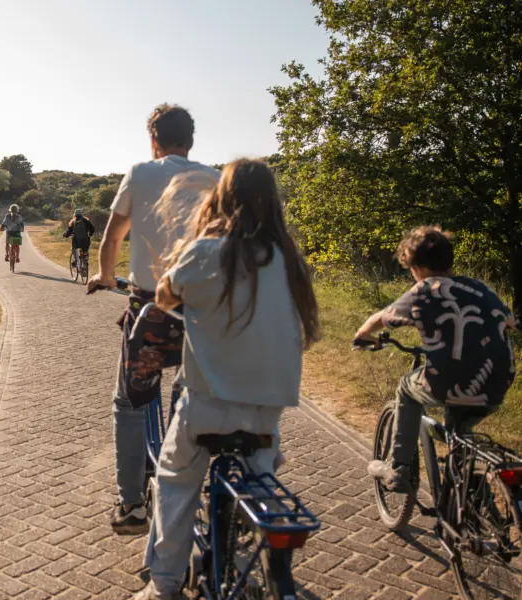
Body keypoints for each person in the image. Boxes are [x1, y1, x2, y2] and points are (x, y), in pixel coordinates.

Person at [134, 159, 321, 600]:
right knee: (263, 473)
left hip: (207, 406)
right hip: (267, 413)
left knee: (174, 481)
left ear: (221, 199)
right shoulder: (289, 259)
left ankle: (162, 585)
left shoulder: (206, 252)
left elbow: (165, 295)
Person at [87, 104, 219, 535]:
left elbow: (112, 236)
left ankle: (131, 506)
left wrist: (106, 277)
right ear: (192, 142)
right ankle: (188, 474)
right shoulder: (214, 179)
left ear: (153, 140)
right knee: (192, 392)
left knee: (127, 401)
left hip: (151, 311)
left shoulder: (140, 173)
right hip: (203, 310)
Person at [355, 226, 517, 492]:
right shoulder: (481, 288)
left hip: (448, 383)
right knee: (460, 429)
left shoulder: (425, 289)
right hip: (497, 382)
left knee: (407, 388)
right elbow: (512, 321)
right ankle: (466, 499)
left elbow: (383, 317)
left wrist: (361, 335)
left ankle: (399, 470)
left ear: (415, 266)